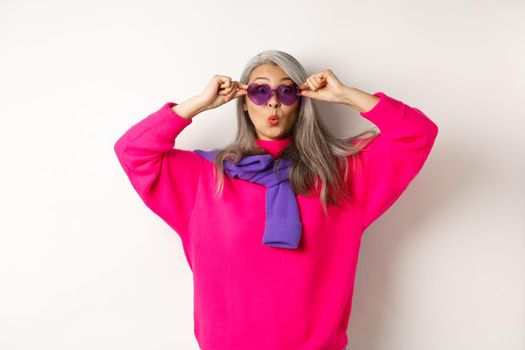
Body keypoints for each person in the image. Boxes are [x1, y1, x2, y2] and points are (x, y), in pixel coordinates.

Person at [114, 49, 439, 350]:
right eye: (260, 91)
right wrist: (198, 103)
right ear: (243, 101)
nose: (273, 103)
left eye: (286, 92)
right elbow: (133, 151)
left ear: (301, 102)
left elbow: (417, 134)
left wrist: (345, 96)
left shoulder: (341, 177)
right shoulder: (205, 177)